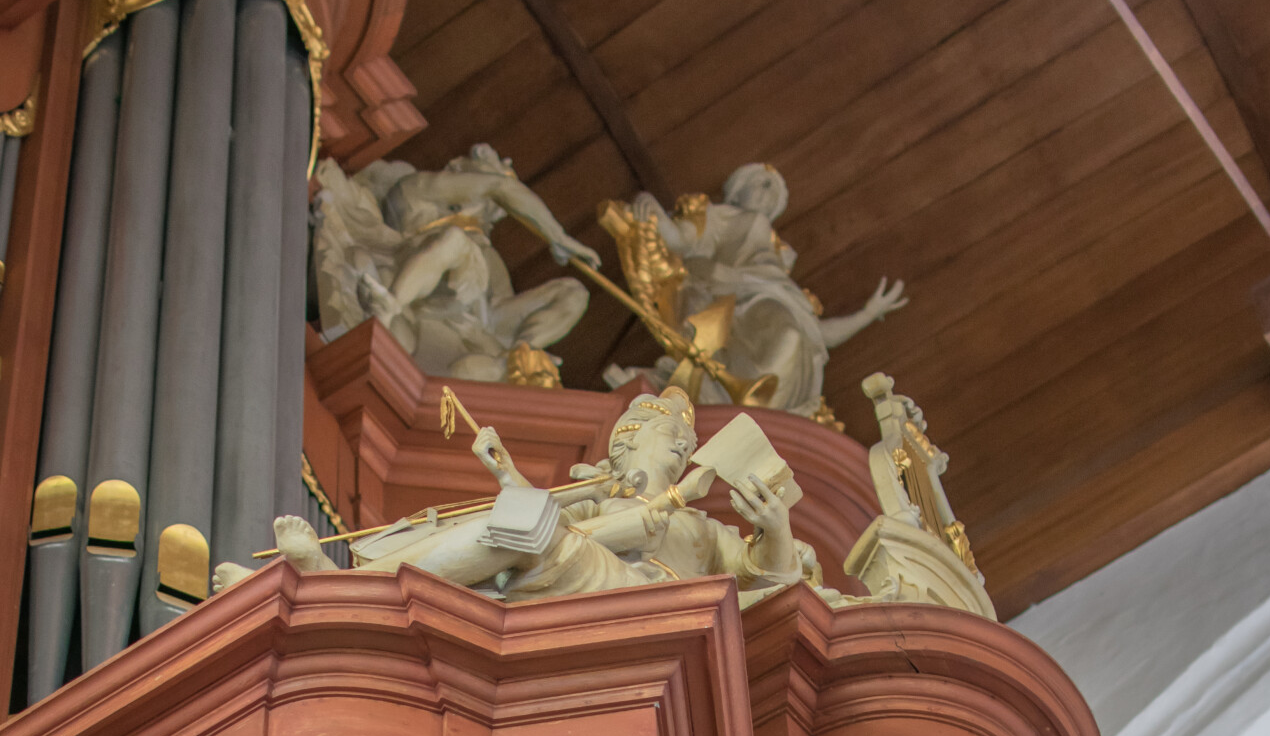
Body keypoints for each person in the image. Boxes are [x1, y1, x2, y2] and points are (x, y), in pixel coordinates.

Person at [222, 388, 812, 609]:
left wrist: (776, 527)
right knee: (524, 523)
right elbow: (537, 517)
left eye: (682, 439)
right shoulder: (596, 493)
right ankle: (340, 587)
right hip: (574, 578)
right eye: (663, 431)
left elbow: (768, 579)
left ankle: (337, 590)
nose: (681, 443)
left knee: (539, 528)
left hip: (647, 604)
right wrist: (506, 474)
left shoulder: (702, 529)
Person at [606, 163, 906, 418]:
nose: (769, 191)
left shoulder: (779, 273)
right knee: (787, 334)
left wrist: (868, 314)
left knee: (794, 336)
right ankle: (730, 401)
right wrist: (648, 202)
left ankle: (746, 410)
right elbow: (678, 241)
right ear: (738, 190)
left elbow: (818, 334)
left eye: (774, 192)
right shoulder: (717, 217)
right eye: (763, 183)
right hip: (726, 303)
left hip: (764, 299)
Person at [311, 144, 599, 383]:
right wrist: (558, 237)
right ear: (459, 169)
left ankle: (521, 355)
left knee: (574, 293)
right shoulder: (415, 191)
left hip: (472, 313)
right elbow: (499, 187)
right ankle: (391, 303)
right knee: (455, 241)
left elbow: (495, 311)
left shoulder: (489, 256)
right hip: (416, 277)